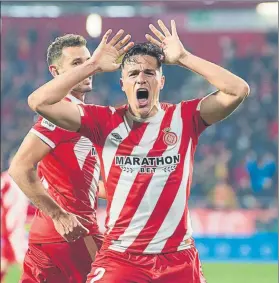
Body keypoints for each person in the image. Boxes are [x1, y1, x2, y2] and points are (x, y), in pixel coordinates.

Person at [26, 20, 250, 283]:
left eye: (149, 73)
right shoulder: (102, 121)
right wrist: (93, 65)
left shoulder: (185, 117)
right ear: (122, 84)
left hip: (178, 258)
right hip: (121, 258)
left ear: (161, 81)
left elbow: (238, 90)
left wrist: (184, 57)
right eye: (133, 74)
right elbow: (38, 102)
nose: (141, 78)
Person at [8, 34, 106, 283]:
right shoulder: (61, 115)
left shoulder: (81, 115)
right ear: (55, 72)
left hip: (56, 236)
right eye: (77, 64)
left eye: (88, 60)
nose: (87, 68)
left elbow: (80, 183)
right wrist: (59, 215)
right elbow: (19, 167)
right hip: (72, 235)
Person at [1, 165, 29, 282]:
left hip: (15, 229)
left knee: (5, 261)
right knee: (26, 263)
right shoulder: (6, 180)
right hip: (11, 229)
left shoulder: (21, 182)